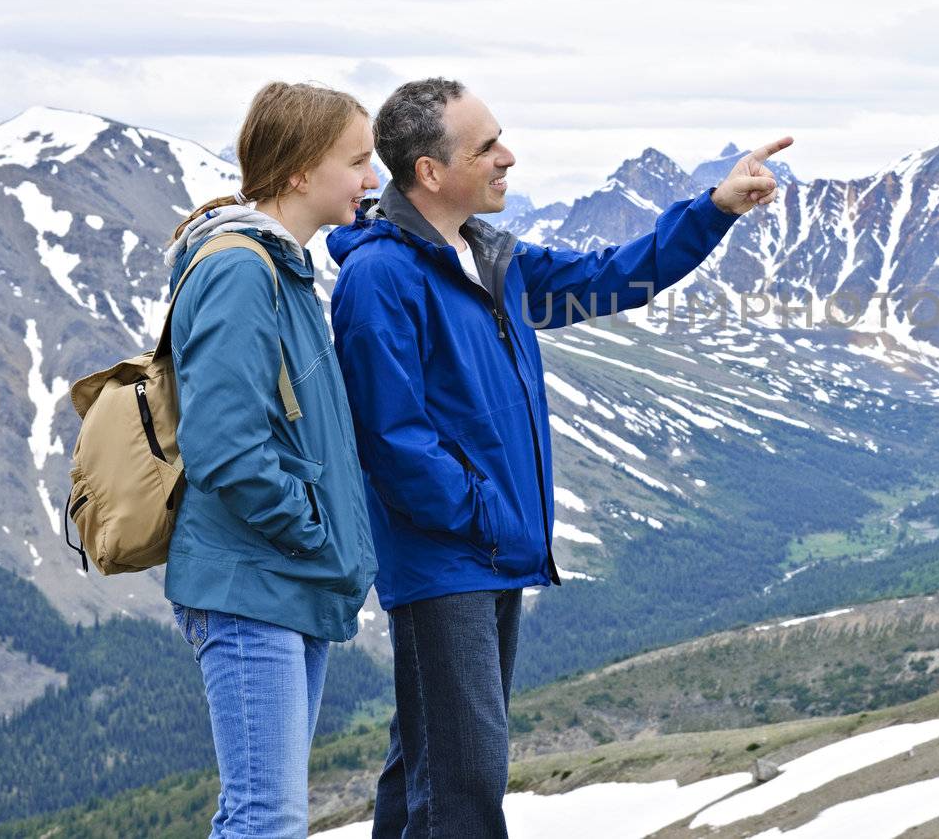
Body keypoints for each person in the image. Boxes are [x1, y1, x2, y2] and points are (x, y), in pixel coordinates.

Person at [327, 77, 790, 837]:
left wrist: (713, 211)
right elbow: (395, 442)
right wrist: (486, 517)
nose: (508, 157)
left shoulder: (490, 257)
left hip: (486, 552)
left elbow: (611, 277)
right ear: (430, 172)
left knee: (427, 771)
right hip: (450, 561)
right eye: (486, 147)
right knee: (465, 789)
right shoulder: (381, 278)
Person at [163, 81, 381, 838]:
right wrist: (312, 531)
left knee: (264, 815)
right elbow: (225, 445)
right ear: (297, 171)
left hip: (279, 578)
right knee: (266, 820)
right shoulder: (242, 270)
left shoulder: (280, 267)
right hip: (252, 580)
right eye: (356, 160)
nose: (370, 179)